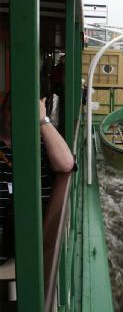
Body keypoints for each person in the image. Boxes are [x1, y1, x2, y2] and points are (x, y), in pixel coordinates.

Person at [0, 93, 74, 263]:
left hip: (35, 245)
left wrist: (42, 120)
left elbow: (66, 163)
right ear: (3, 110)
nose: (15, 116)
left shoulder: (41, 142)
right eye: (11, 109)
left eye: (24, 111)